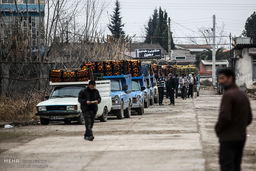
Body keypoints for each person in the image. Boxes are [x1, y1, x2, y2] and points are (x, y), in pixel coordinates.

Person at [215, 69, 253, 171]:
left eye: (222, 78)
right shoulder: (243, 95)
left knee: (227, 166)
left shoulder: (228, 95)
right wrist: (239, 127)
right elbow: (249, 118)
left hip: (228, 138)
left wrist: (218, 130)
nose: (220, 81)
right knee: (236, 166)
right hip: (241, 137)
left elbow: (225, 117)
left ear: (230, 78)